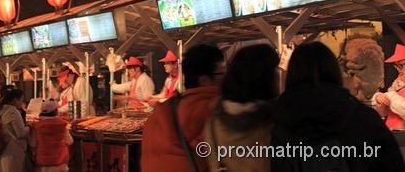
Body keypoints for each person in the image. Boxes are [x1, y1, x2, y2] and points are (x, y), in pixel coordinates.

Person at [271, 42, 405, 171]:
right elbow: (392, 164)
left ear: (290, 76)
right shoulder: (362, 117)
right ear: (336, 73)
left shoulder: (274, 123)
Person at [141, 44, 225, 172]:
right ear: (204, 80)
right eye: (222, 73)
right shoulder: (214, 111)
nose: (164, 66)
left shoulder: (156, 117)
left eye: (167, 63)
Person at [203, 44, 279, 172]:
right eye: (275, 70)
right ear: (265, 77)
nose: (278, 75)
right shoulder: (275, 125)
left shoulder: (212, 126)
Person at [29, 99, 72, 172]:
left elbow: (33, 144)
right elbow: (69, 141)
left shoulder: (36, 126)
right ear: (55, 111)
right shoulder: (63, 124)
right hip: (60, 163)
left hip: (44, 164)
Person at [0, 88, 29, 172]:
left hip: (1, 146)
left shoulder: (0, 110)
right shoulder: (13, 111)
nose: (22, 103)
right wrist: (29, 127)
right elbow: (20, 133)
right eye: (21, 100)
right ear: (15, 100)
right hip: (12, 148)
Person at [373, 43, 405, 129]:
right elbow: (384, 112)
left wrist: (390, 96)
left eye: (402, 65)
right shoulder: (398, 83)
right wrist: (379, 99)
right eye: (397, 65)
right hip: (393, 131)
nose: (399, 69)